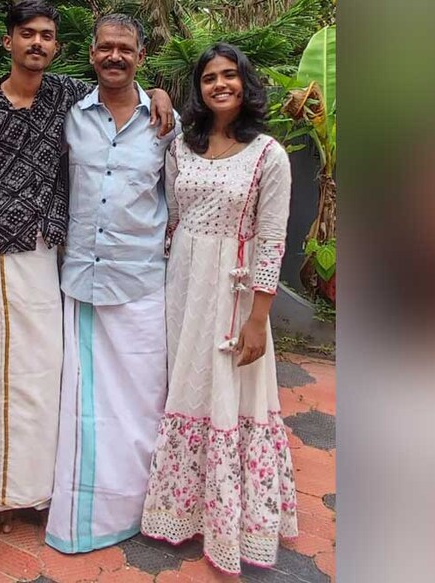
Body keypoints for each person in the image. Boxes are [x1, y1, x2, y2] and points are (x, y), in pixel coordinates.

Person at [0, 0, 174, 535]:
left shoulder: (67, 97)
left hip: (45, 256)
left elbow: (124, 88)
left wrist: (161, 93)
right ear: (7, 41)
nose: (37, 43)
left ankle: (33, 490)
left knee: (44, 376)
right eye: (26, 34)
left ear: (58, 46)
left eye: (47, 36)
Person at [139, 43, 298, 574]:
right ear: (199, 88)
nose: (220, 84)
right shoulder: (182, 146)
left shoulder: (269, 155)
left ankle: (233, 521)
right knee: (187, 384)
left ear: (244, 84)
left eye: (230, 75)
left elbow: (272, 241)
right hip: (184, 282)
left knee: (230, 391)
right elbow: (172, 217)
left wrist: (259, 317)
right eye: (209, 77)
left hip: (236, 292)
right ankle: (183, 510)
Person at [45, 14, 177, 554]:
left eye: (125, 48)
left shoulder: (166, 125)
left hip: (143, 283)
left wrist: (164, 94)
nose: (115, 56)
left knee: (144, 403)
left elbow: (181, 199)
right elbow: (14, 95)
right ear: (92, 54)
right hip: (83, 282)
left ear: (141, 57)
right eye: (106, 48)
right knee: (84, 408)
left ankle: (149, 504)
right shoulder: (69, 112)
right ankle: (84, 513)